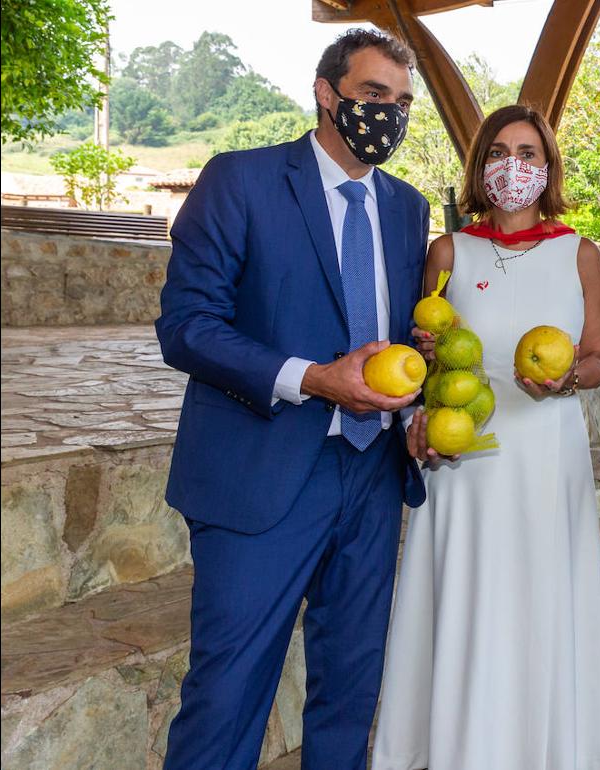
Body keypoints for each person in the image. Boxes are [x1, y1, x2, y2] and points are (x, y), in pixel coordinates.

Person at [156, 29, 429, 769]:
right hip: (261, 472)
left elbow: (398, 336)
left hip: (371, 480)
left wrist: (420, 392)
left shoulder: (409, 207)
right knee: (227, 693)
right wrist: (313, 376)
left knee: (349, 690)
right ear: (326, 92)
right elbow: (186, 328)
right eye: (375, 96)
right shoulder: (240, 180)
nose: (390, 114)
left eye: (403, 103)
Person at [372, 104, 600, 770]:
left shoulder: (581, 252)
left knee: (541, 599)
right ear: (481, 166)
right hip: (469, 454)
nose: (516, 165)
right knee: (469, 596)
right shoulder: (450, 252)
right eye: (502, 152)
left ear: (548, 168)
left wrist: (567, 380)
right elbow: (425, 352)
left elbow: (596, 358)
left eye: (530, 154)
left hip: (547, 453)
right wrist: (426, 358)